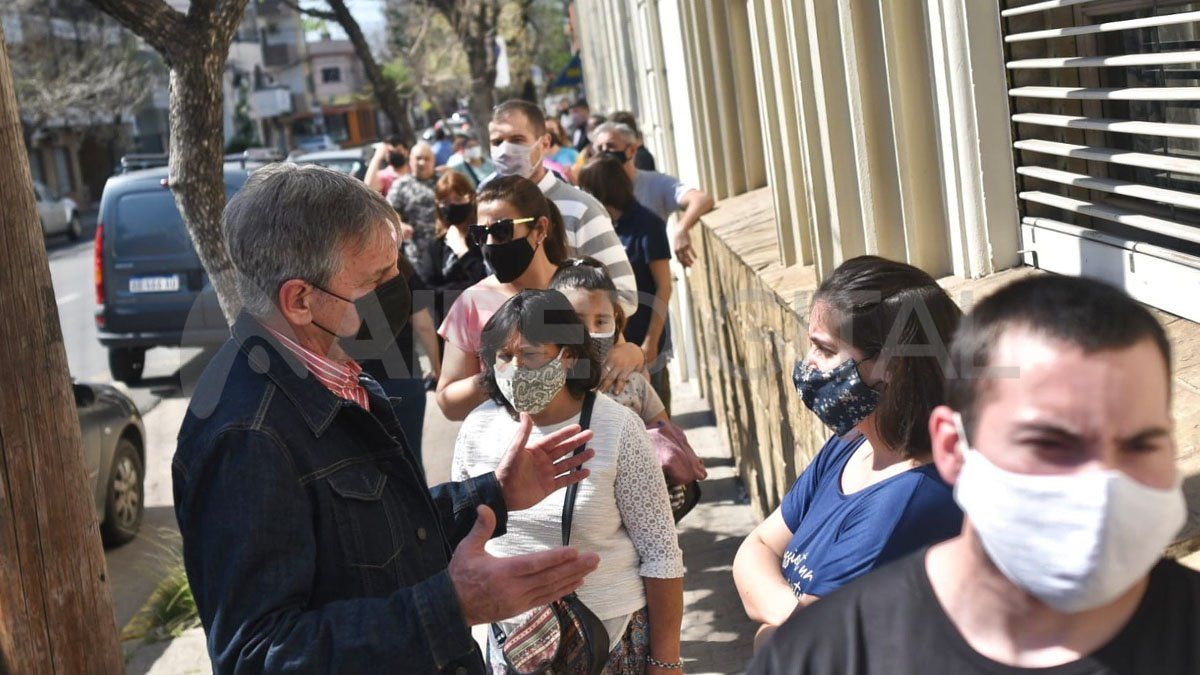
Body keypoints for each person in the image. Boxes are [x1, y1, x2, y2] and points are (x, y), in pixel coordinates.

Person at [173, 163, 602, 673]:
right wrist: (451, 607)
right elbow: (258, 655)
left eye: (395, 269)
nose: (398, 287)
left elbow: (374, 536)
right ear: (300, 299)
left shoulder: (329, 368)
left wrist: (491, 494)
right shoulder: (246, 437)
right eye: (376, 279)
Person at [749, 274, 1199, 674]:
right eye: (1050, 444)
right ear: (953, 448)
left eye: (1141, 445)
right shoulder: (831, 652)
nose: (1102, 482)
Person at [732, 256, 964, 648]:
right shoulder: (853, 444)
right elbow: (756, 547)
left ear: (892, 366)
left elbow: (807, 649)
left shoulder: (904, 504)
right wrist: (788, 622)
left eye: (824, 349)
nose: (808, 364)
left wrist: (775, 634)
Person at [452, 289, 685, 673]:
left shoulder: (617, 428)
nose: (514, 369)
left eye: (529, 355)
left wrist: (666, 660)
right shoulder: (477, 428)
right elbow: (459, 542)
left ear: (569, 356)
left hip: (610, 643)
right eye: (504, 356)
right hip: (515, 647)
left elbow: (661, 553)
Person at [435, 176, 645, 421]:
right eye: (481, 233)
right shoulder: (472, 302)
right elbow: (448, 404)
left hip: (592, 434)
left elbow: (619, 352)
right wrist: (501, 375)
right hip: (517, 441)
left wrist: (633, 353)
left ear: (540, 229)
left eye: (502, 231)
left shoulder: (580, 287)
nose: (491, 244)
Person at [486, 99, 638, 319]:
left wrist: (562, 325)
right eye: (497, 142)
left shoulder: (581, 209)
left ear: (545, 143)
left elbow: (625, 296)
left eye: (517, 140)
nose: (505, 150)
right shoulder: (487, 212)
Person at [577, 156, 674, 412]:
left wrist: (650, 343)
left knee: (655, 416)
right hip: (612, 343)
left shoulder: (648, 225)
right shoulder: (604, 229)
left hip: (646, 337)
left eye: (585, 189)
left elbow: (664, 286)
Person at [591, 122, 714, 268]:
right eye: (599, 148)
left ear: (632, 150)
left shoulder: (655, 183)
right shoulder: (591, 192)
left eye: (611, 146)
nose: (605, 153)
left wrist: (681, 228)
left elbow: (701, 199)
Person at [359, 252, 441, 461]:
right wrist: (437, 368)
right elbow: (424, 325)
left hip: (359, 383)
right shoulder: (401, 267)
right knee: (410, 461)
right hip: (404, 376)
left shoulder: (339, 270)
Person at [417, 170, 486, 333]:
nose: (452, 205)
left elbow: (485, 281)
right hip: (448, 327)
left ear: (471, 198)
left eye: (458, 199)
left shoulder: (483, 236)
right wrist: (463, 288)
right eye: (445, 201)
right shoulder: (436, 245)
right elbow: (425, 291)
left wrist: (462, 251)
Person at [388, 141, 439, 266]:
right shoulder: (401, 185)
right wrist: (399, 224)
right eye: (418, 158)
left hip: (445, 248)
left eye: (427, 159)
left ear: (433, 161)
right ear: (410, 161)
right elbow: (389, 212)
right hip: (417, 253)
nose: (422, 162)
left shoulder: (445, 181)